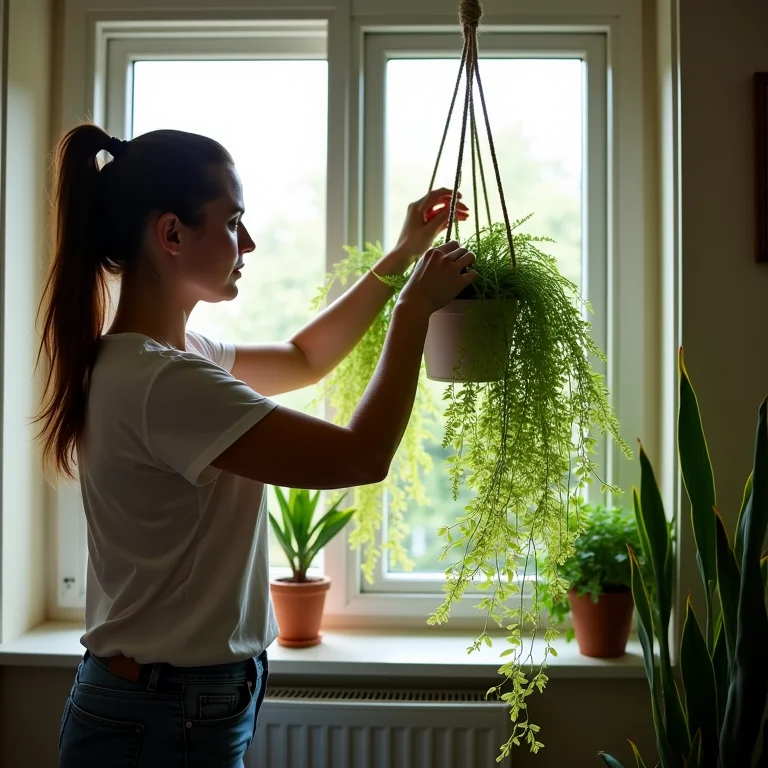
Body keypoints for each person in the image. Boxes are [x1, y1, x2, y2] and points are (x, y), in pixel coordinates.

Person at [38, 123, 476, 767]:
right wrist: (412, 312)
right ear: (171, 234)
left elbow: (305, 358)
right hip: (160, 712)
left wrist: (403, 255)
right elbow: (362, 456)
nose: (248, 243)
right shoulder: (164, 382)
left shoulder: (167, 359)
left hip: (165, 702)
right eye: (233, 222)